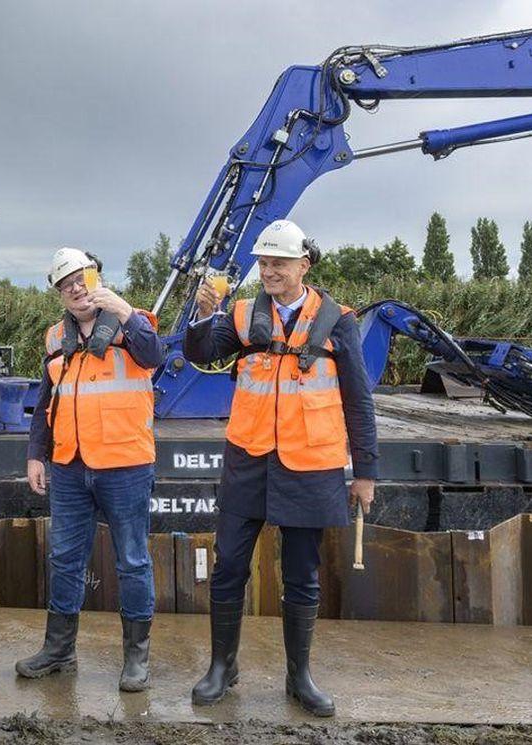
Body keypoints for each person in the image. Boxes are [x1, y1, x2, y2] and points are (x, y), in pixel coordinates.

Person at [185, 219, 377, 716]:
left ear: (303, 266)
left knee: (302, 576)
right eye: (264, 263)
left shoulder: (337, 321)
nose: (269, 271)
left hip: (310, 466)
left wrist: (366, 473)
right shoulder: (245, 314)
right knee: (228, 567)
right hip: (248, 461)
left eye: (279, 263)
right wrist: (204, 315)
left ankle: (300, 677)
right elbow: (199, 352)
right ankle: (222, 669)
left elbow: (358, 401)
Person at [16, 247, 164, 692]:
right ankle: (59, 649)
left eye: (81, 279)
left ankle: (136, 658)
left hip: (126, 465)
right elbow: (47, 400)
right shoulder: (53, 338)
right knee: (63, 559)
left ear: (95, 277)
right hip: (69, 465)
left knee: (133, 561)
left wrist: (123, 311)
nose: (76, 289)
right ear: (59, 294)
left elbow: (154, 356)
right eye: (66, 284)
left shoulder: (133, 322)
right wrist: (36, 453)